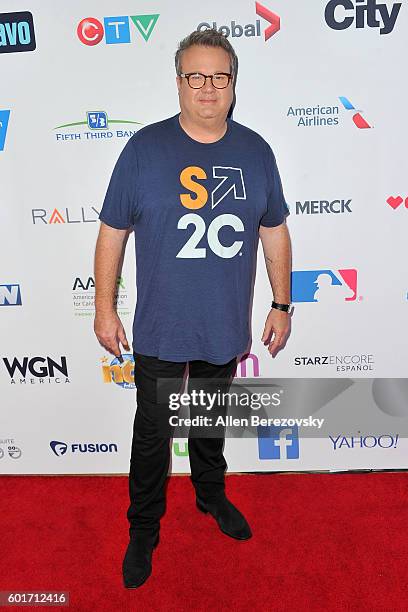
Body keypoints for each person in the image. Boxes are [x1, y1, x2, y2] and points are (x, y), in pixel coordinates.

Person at [94, 29, 292, 589]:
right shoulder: (144, 149)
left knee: (208, 422)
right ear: (179, 82)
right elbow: (112, 231)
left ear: (233, 85)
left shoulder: (256, 151)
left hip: (222, 321)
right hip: (160, 324)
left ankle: (210, 495)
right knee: (153, 434)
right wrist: (104, 308)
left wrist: (282, 302)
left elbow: (274, 231)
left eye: (219, 76)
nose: (207, 87)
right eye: (195, 76)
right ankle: (143, 527)